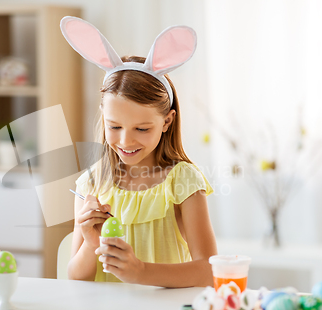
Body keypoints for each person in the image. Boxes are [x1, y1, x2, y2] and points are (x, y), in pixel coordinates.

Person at [60, 17, 217, 288]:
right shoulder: (92, 183)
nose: (125, 140)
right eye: (115, 126)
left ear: (166, 122)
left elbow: (209, 271)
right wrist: (90, 242)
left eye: (142, 129)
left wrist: (140, 272)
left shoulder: (183, 181)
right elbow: (75, 277)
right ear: (103, 117)